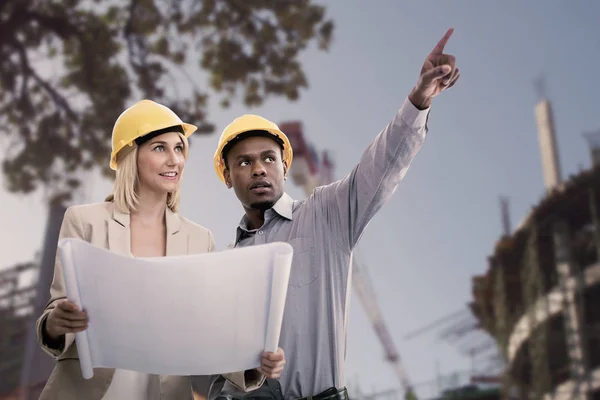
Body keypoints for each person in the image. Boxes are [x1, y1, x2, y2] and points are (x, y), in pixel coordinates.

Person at [209, 29, 460, 400]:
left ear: (283, 166)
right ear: (228, 177)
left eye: (268, 158)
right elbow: (213, 365)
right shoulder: (223, 264)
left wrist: (419, 99)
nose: (259, 169)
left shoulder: (326, 215)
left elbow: (382, 166)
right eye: (244, 162)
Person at [35, 99, 286, 400]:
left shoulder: (199, 239)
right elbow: (56, 312)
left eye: (179, 148)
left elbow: (207, 330)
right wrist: (54, 325)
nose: (174, 160)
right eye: (160, 148)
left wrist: (252, 362)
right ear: (131, 155)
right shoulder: (84, 221)